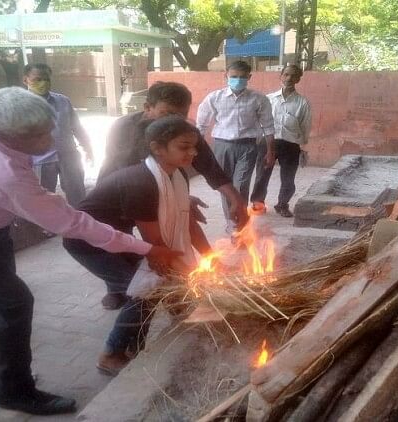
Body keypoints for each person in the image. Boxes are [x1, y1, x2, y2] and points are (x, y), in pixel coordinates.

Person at [0, 87, 178, 415]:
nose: (50, 140)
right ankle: (14, 391)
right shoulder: (3, 174)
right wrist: (146, 247)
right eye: (37, 136)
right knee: (14, 300)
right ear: (4, 135)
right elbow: (74, 224)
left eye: (50, 129)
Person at [65, 115, 211, 375]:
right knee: (147, 289)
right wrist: (190, 272)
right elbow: (156, 247)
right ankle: (111, 354)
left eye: (194, 146)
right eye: (184, 147)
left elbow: (185, 219)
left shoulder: (177, 174)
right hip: (87, 242)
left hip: (118, 237)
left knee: (160, 281)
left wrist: (211, 256)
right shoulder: (141, 182)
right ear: (157, 148)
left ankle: (143, 340)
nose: (193, 152)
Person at [97, 81, 246, 310]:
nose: (175, 120)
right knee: (122, 242)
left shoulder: (182, 131)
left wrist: (235, 198)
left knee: (181, 220)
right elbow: (125, 171)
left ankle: (185, 278)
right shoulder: (124, 128)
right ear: (148, 108)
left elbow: (209, 165)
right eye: (167, 113)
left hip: (155, 183)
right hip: (121, 194)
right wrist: (170, 198)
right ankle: (120, 288)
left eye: (181, 115)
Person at [196, 61, 276, 233]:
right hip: (222, 145)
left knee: (241, 186)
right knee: (225, 186)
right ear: (225, 76)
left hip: (248, 147)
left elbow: (268, 126)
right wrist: (195, 148)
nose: (238, 80)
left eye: (242, 77)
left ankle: (241, 222)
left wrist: (270, 150)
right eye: (233, 76)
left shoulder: (259, 99)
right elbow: (201, 124)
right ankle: (231, 223)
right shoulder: (214, 98)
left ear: (249, 77)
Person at [23, 63, 93, 205]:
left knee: (78, 195)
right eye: (38, 79)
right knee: (43, 200)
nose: (43, 83)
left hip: (69, 156)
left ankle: (80, 218)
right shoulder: (19, 106)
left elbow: (77, 127)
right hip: (40, 161)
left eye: (46, 79)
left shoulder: (63, 101)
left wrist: (88, 147)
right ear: (25, 80)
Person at [249, 65, 312, 217]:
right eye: (286, 74)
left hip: (291, 145)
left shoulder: (302, 102)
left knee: (288, 178)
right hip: (267, 143)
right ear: (281, 76)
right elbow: (258, 120)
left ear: (298, 79)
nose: (289, 78)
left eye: (293, 75)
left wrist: (301, 145)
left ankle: (282, 205)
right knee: (262, 175)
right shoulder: (268, 99)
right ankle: (258, 203)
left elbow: (305, 125)